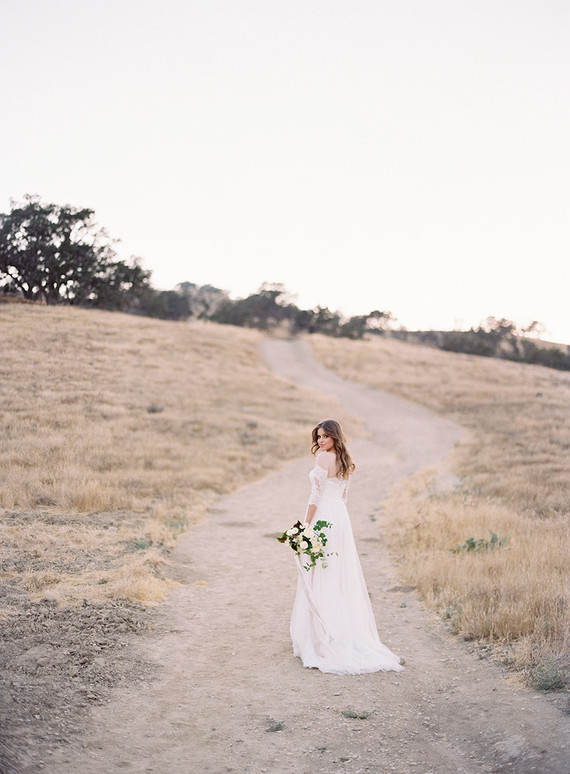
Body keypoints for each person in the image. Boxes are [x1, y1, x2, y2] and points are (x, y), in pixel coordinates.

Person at [289, 419, 404, 675]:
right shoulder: (344, 459)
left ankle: (322, 637)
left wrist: (305, 526)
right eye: (318, 436)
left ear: (334, 437)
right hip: (340, 518)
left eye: (325, 436)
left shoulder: (323, 458)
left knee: (321, 572)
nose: (320, 441)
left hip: (324, 517)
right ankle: (337, 632)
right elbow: (343, 496)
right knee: (337, 573)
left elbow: (315, 497)